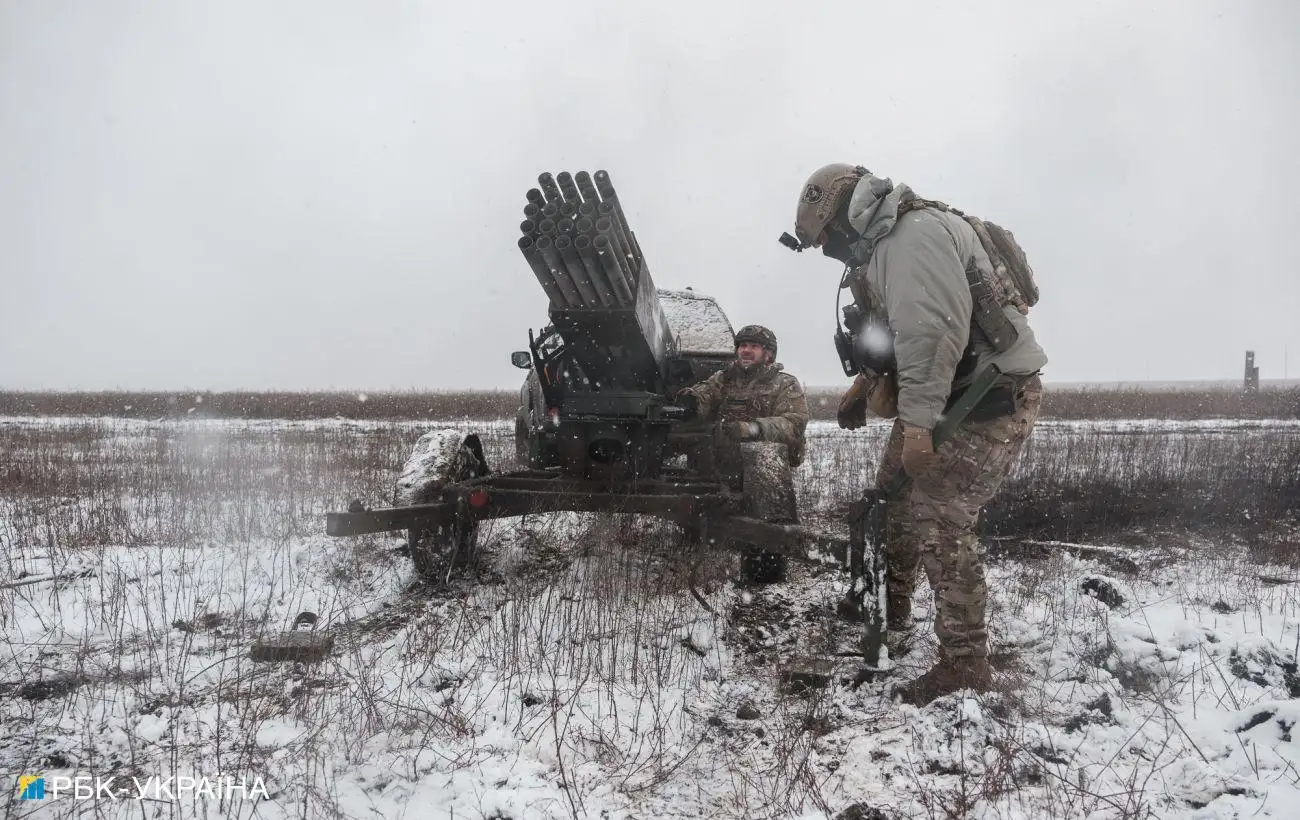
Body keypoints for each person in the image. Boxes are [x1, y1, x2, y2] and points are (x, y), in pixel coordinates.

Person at [791, 163, 1048, 704]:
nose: (832, 253)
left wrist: (917, 430)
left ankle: (964, 663)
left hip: (987, 401)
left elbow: (933, 337)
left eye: (828, 242)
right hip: (946, 397)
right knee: (890, 496)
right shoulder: (887, 243)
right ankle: (889, 608)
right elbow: (899, 334)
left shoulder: (912, 238)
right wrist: (866, 386)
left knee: (940, 517)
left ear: (842, 215)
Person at [677, 324, 810, 583]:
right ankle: (702, 534)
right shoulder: (724, 378)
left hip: (763, 464)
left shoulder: (785, 384)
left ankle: (764, 569)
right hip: (724, 463)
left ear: (768, 354)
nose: (746, 351)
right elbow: (705, 393)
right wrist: (691, 401)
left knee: (765, 535)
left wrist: (753, 428)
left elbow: (794, 423)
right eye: (742, 345)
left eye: (753, 346)